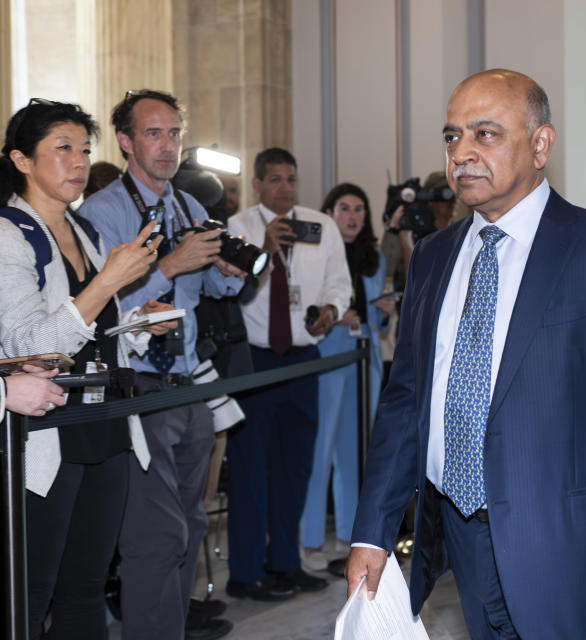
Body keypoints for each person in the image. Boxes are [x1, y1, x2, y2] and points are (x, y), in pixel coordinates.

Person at [346, 69, 586, 639]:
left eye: (486, 134)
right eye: (452, 136)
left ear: (540, 144)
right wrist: (371, 532)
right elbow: (406, 400)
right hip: (458, 530)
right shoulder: (432, 256)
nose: (462, 153)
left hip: (561, 537)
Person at [0, 99, 174, 638]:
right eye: (62, 149)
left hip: (103, 423)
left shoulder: (86, 234)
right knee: (30, 591)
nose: (78, 162)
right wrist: (107, 283)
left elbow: (98, 336)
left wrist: (139, 325)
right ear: (22, 161)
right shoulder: (9, 234)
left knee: (86, 588)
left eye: (84, 149)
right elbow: (27, 345)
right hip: (45, 429)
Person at [79, 89, 244, 640]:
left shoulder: (189, 205)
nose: (168, 145)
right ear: (125, 142)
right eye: (154, 133)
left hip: (187, 382)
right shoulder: (101, 213)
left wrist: (232, 270)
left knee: (191, 523)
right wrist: (169, 265)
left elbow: (208, 287)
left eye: (175, 133)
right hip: (139, 385)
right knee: (155, 535)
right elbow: (100, 308)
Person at [225, 148, 351, 600]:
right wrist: (265, 249)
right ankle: (244, 572)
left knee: (295, 467)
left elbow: (339, 280)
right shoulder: (237, 228)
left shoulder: (321, 226)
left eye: (292, 179)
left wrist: (331, 311)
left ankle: (285, 563)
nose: (285, 187)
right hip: (254, 361)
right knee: (250, 467)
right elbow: (230, 291)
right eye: (275, 179)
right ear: (258, 184)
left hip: (302, 359)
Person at [300, 183, 396, 573]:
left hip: (364, 360)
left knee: (355, 453)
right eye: (343, 208)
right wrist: (335, 315)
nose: (352, 216)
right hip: (327, 355)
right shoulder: (313, 254)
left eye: (359, 209)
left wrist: (385, 312)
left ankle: (348, 536)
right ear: (329, 211)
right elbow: (305, 309)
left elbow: (377, 319)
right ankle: (308, 541)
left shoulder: (374, 258)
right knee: (320, 449)